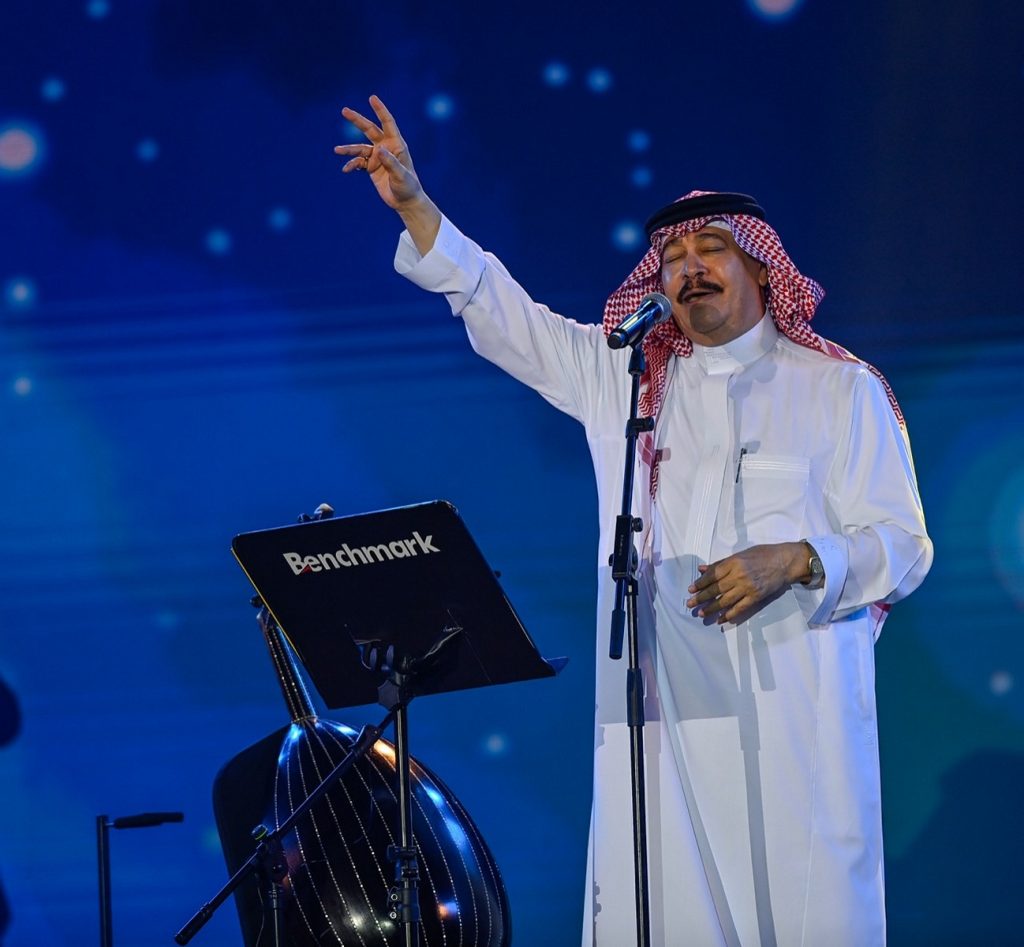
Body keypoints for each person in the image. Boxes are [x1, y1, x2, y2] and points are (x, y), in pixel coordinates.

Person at [335, 95, 933, 947]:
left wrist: (800, 558)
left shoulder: (841, 390)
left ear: (763, 268)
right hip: (659, 730)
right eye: (673, 257)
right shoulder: (627, 379)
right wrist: (418, 207)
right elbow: (506, 314)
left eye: (711, 249)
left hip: (794, 732)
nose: (690, 268)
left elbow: (904, 547)